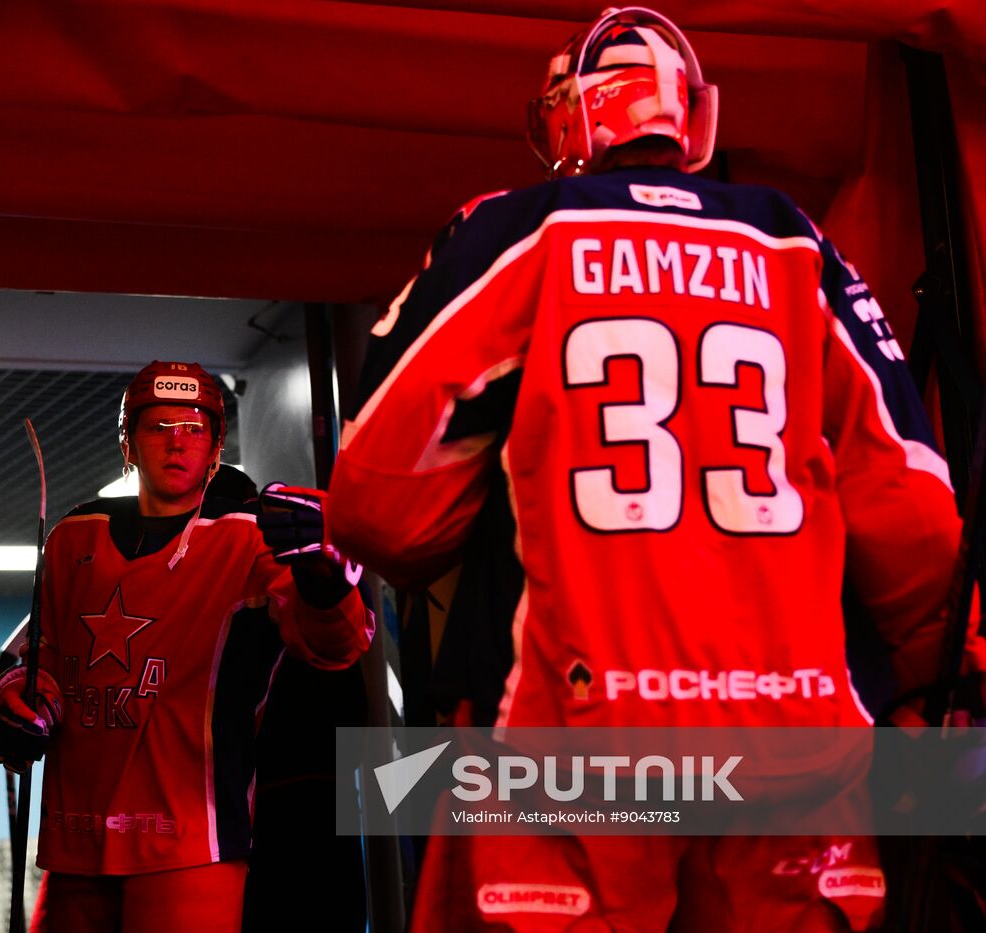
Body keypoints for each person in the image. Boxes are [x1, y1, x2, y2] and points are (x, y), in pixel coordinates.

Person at [326, 7, 983, 931]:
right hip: (795, 747)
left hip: (566, 745)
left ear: (566, 117)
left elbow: (377, 509)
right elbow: (911, 510)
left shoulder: (513, 232)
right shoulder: (797, 246)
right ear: (695, 116)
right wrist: (941, 689)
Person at [0, 359, 373, 933]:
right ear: (128, 443)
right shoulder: (72, 537)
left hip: (189, 844)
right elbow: (44, 664)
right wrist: (16, 704)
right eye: (158, 427)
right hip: (76, 843)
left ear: (217, 446)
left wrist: (325, 577)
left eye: (194, 429)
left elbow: (333, 645)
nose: (176, 444)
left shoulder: (249, 535)